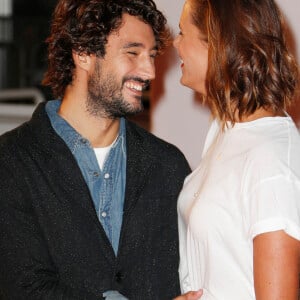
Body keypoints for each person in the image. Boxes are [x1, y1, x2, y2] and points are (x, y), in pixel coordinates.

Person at [0, 0, 191, 299]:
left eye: (152, 55)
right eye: (133, 53)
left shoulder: (168, 166)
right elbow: (25, 288)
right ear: (83, 53)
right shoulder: (12, 161)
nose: (150, 71)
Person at [173, 0, 300, 299]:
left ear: (216, 42)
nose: (175, 43)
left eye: (182, 32)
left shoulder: (271, 157)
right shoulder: (224, 128)